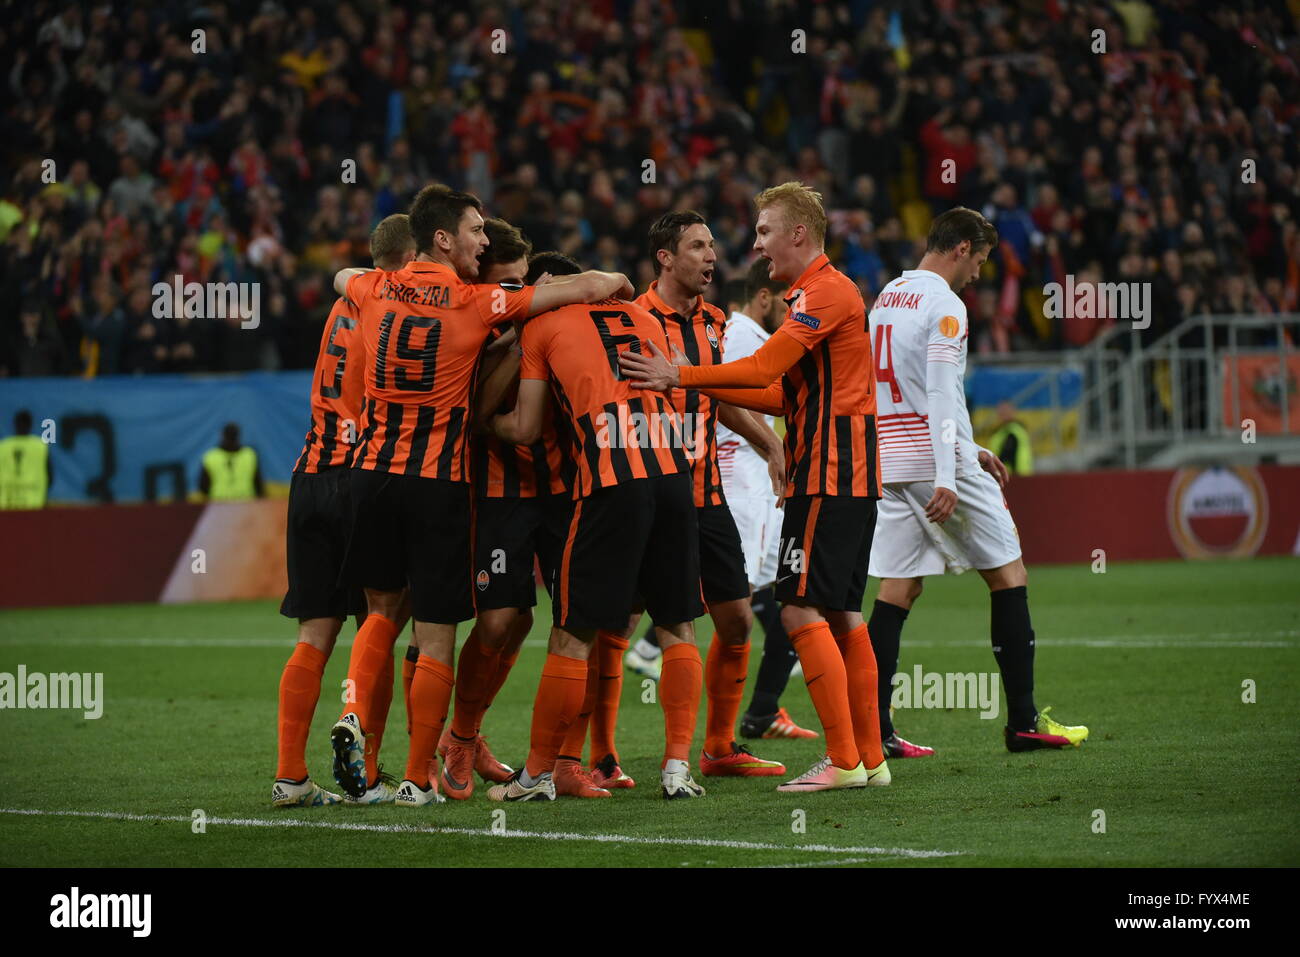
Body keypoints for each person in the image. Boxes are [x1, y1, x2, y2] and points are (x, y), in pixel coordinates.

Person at [329, 184, 634, 807]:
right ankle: (419, 777)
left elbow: (342, 276)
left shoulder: (374, 288)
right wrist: (617, 279)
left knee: (383, 612)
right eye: (473, 229)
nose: (481, 239)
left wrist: (379, 275)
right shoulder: (477, 302)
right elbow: (577, 288)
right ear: (444, 238)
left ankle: (355, 712)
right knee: (439, 633)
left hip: (371, 475)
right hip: (439, 481)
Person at [621, 182, 888, 793]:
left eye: (765, 231)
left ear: (798, 233)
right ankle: (870, 759)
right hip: (846, 474)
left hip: (828, 473)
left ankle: (844, 759)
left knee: (796, 607)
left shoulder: (823, 292)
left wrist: (678, 373)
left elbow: (766, 370)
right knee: (845, 613)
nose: (756, 245)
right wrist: (691, 386)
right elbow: (777, 394)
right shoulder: (819, 294)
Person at [865, 206, 1087, 756]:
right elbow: (939, 391)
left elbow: (904, 390)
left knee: (898, 587)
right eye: (982, 260)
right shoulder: (946, 305)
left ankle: (873, 731)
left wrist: (970, 445)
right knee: (1009, 574)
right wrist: (950, 471)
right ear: (961, 248)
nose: (980, 274)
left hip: (890, 462)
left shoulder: (887, 297)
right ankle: (1024, 723)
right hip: (935, 466)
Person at [488, 251, 707, 801]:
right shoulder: (639, 313)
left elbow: (525, 428)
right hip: (673, 471)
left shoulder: (541, 324)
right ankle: (677, 769)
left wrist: (480, 417)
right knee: (678, 625)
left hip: (613, 481)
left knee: (573, 631)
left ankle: (536, 774)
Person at [272, 214, 415, 808]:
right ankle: (366, 758)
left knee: (314, 634)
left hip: (309, 474)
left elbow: (344, 276)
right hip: (360, 475)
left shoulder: (346, 303)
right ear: (410, 260)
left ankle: (290, 777)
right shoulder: (396, 306)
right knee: (387, 609)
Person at [433, 217, 565, 800]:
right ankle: (455, 738)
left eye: (521, 284)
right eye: (503, 286)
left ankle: (569, 757)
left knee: (547, 618)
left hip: (559, 489)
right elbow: (481, 414)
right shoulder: (476, 331)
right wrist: (522, 341)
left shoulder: (542, 318)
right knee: (494, 618)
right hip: (494, 492)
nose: (513, 297)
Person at [0, 409, 52, 509]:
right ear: (31, 425)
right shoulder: (40, 446)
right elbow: (50, 476)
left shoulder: (3, 446)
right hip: (34, 502)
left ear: (14, 424)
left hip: (6, 503)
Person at [198, 422, 264, 500]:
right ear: (238, 435)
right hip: (246, 503)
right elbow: (258, 483)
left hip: (219, 504)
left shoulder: (210, 456)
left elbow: (203, 486)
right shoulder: (250, 455)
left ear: (222, 435)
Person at [989, 401, 1034, 476]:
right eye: (1001, 410)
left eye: (1005, 410)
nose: (1002, 413)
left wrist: (992, 468)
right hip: (1017, 474)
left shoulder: (1012, 431)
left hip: (1012, 475)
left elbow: (1007, 454)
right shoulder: (1006, 430)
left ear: (1012, 412)